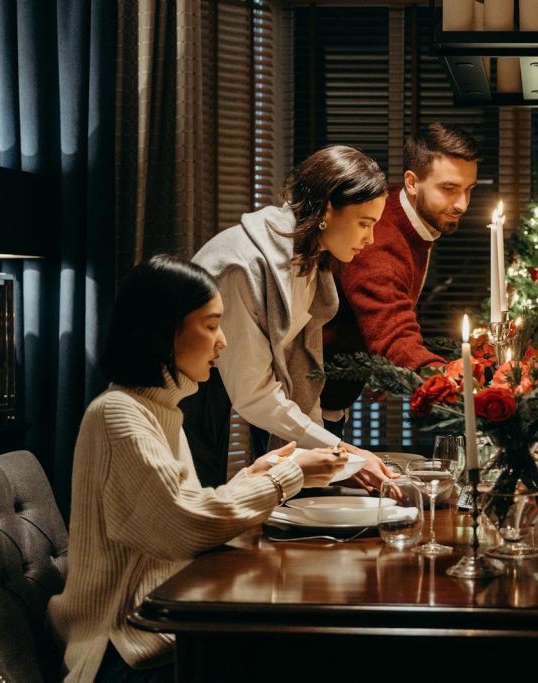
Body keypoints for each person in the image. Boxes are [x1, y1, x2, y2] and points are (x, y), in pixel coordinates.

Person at [48, 256, 347, 682]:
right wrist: (287, 478)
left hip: (159, 631)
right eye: (210, 325)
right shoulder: (118, 415)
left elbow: (181, 507)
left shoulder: (158, 409)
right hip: (122, 649)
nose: (222, 342)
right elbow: (185, 524)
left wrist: (256, 475)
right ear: (163, 330)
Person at [183, 145, 394, 490]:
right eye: (364, 224)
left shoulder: (309, 260)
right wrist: (342, 451)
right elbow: (254, 394)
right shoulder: (246, 266)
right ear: (327, 209)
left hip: (218, 387)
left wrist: (329, 453)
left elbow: (300, 372)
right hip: (181, 398)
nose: (370, 239)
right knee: (197, 515)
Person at [320, 123, 480, 430]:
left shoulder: (407, 217)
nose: (462, 204)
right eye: (449, 189)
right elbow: (394, 335)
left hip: (333, 393)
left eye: (468, 189)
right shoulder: (378, 239)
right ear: (412, 182)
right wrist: (457, 382)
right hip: (303, 399)